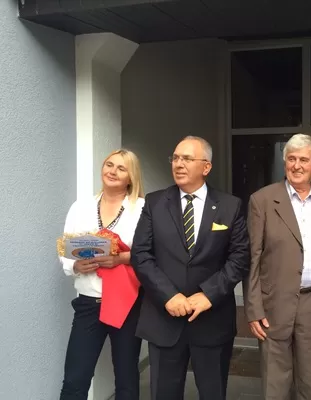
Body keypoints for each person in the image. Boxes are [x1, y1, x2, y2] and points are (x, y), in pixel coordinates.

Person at [131, 136, 250, 400]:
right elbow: (141, 254)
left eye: (187, 158)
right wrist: (168, 296)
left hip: (212, 319)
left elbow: (240, 257)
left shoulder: (230, 205)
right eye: (175, 158)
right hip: (164, 319)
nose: (178, 164)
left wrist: (209, 294)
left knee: (213, 393)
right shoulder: (155, 202)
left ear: (206, 167)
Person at [243, 133, 311, 400]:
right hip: (274, 301)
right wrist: (253, 308)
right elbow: (253, 257)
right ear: (284, 161)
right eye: (291, 159)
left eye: (303, 160)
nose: (297, 165)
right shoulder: (262, 200)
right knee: (275, 381)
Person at [59, 149, 145, 400]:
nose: (112, 171)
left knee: (127, 381)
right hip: (88, 303)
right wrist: (75, 266)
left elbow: (151, 253)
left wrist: (120, 259)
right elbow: (66, 249)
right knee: (75, 379)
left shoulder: (142, 208)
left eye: (121, 168)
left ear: (131, 176)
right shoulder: (81, 207)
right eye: (109, 164)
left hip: (127, 304)